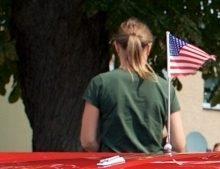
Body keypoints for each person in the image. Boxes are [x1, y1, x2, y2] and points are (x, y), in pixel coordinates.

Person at [80, 19, 186, 153]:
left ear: (116, 46)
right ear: (148, 48)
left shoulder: (100, 83)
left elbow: (88, 140)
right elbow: (179, 143)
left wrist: (101, 155)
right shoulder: (165, 88)